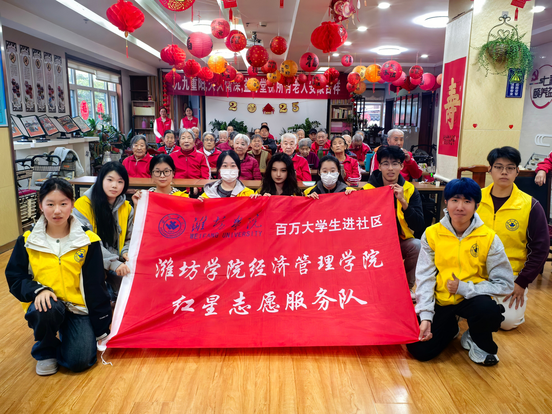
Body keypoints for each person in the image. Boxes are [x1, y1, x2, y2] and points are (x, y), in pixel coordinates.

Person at [5, 178, 112, 376]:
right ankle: (45, 350)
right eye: (50, 204)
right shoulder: (28, 240)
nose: (57, 211)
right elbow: (15, 277)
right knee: (46, 308)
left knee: (79, 361)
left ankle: (67, 333)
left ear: (72, 205)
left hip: (78, 308)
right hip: (46, 305)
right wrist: (38, 290)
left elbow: (96, 285)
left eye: (63, 204)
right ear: (40, 205)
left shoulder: (88, 240)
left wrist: (101, 325)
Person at [407, 178, 514, 366]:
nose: (460, 207)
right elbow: (424, 277)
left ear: (476, 206)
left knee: (488, 310)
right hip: (441, 299)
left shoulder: (489, 237)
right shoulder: (432, 234)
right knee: (419, 349)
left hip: (472, 299)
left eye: (467, 201)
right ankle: (450, 328)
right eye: (455, 200)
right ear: (446, 203)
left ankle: (475, 338)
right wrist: (426, 316)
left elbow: (505, 284)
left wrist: (465, 288)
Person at [478, 147, 549, 330]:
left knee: (506, 322)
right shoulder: (475, 200)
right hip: (474, 271)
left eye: (510, 168)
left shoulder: (530, 205)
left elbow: (540, 248)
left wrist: (521, 282)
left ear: (517, 171)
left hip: (510, 275)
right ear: (490, 169)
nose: (504, 172)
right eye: (498, 167)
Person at [362, 146, 425, 297]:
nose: (390, 168)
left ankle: (407, 287)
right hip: (374, 244)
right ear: (379, 166)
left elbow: (419, 225)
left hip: (400, 241)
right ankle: (368, 287)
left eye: (395, 163)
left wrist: (403, 202)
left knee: (416, 245)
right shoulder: (368, 190)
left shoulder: (409, 189)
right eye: (386, 164)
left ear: (401, 166)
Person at [73, 162, 133, 302]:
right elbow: (87, 241)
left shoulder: (127, 207)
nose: (114, 185)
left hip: (119, 261)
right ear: (100, 180)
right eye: (110, 180)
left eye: (120, 182)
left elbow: (131, 237)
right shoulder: (82, 206)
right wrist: (113, 263)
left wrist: (126, 251)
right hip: (91, 262)